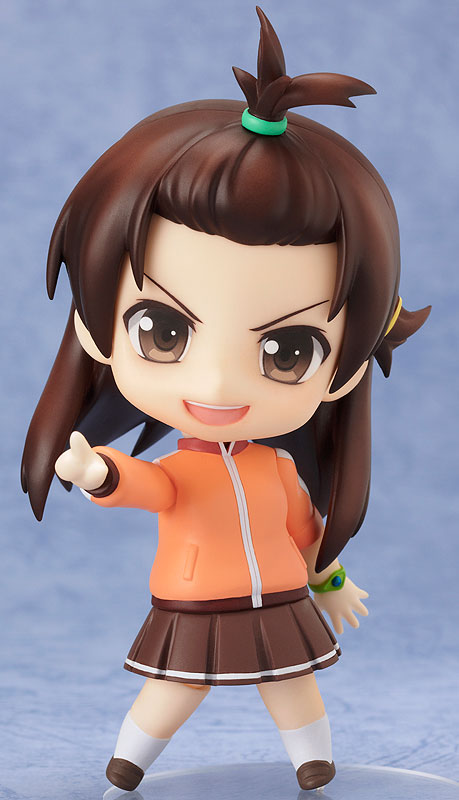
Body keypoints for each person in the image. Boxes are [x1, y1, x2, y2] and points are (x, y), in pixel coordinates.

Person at [21, 7, 430, 792]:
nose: (214, 386)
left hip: (279, 596)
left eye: (287, 351)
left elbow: (305, 528)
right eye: (163, 331)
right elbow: (145, 486)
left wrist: (330, 581)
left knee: (293, 681)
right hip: (195, 599)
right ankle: (127, 763)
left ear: (345, 366)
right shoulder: (186, 470)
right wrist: (98, 471)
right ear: (96, 326)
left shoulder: (278, 470)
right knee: (175, 686)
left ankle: (312, 760)